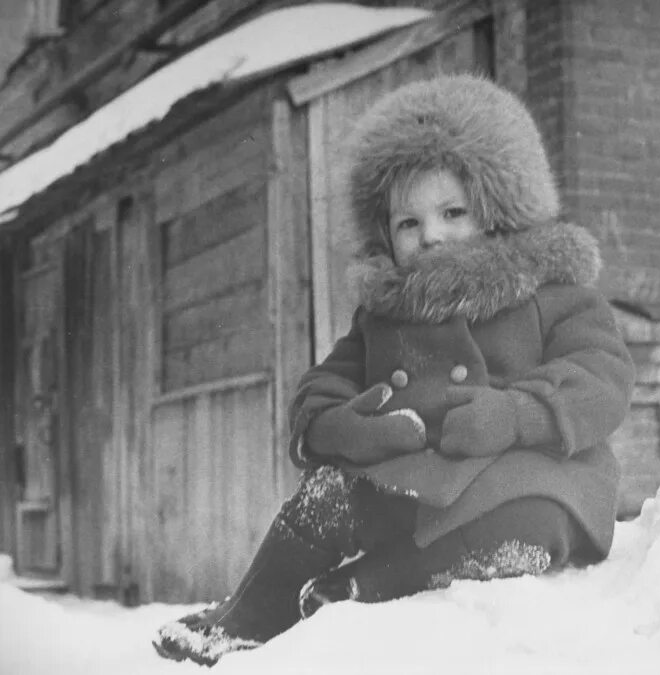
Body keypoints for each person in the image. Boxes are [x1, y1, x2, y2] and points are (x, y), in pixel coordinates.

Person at [153, 73, 635, 666]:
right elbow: (321, 386)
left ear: (500, 210)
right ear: (385, 232)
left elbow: (602, 375)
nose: (430, 235)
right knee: (327, 496)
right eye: (408, 223)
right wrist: (342, 428)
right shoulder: (385, 312)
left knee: (531, 526)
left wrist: (515, 414)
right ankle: (249, 613)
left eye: (453, 212)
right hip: (415, 483)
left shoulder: (550, 292)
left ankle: (370, 584)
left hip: (531, 477)